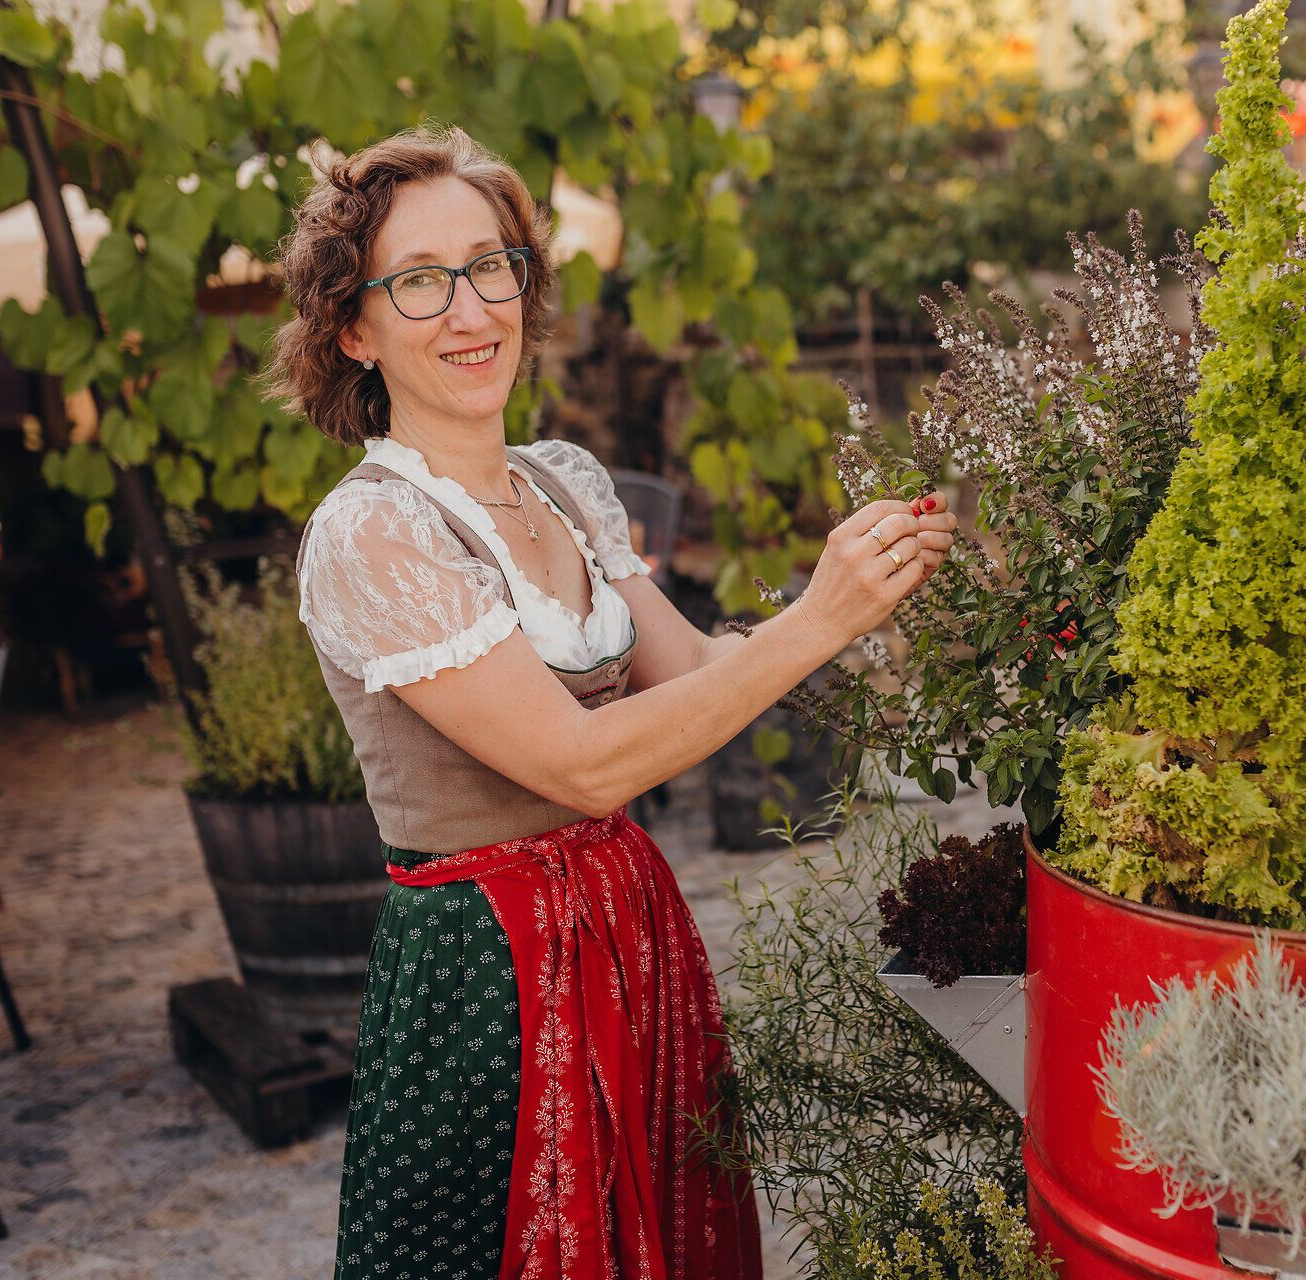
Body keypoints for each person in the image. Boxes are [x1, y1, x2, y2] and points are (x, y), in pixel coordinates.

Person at [265, 124, 956, 1280]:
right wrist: (816, 620)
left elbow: (692, 681)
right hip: (488, 973)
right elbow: (585, 766)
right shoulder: (370, 531)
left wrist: (858, 598)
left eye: (492, 266)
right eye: (421, 281)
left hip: (630, 926)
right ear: (354, 328)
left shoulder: (566, 483)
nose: (472, 309)